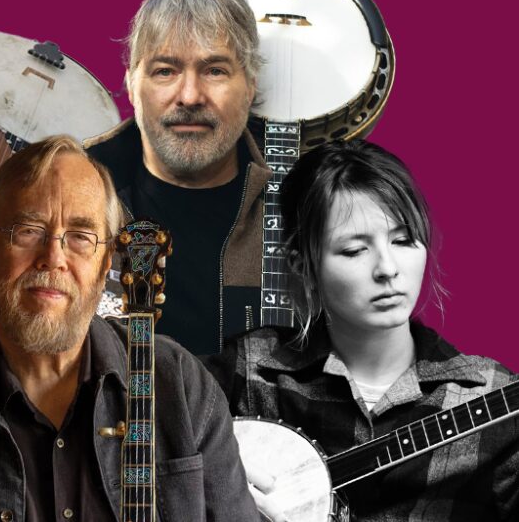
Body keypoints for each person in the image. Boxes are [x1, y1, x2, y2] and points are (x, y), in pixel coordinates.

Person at [0, 135, 259, 521]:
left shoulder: (180, 385)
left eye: (81, 237)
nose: (53, 258)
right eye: (28, 231)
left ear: (106, 267)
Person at [207, 140, 519, 521]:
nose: (387, 268)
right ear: (302, 264)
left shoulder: (488, 392)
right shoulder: (248, 372)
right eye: (355, 250)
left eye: (404, 240)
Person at [87, 0, 271, 361]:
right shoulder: (72, 194)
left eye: (215, 70)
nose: (189, 95)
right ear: (133, 85)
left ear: (251, 87)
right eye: (165, 71)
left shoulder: (307, 205)